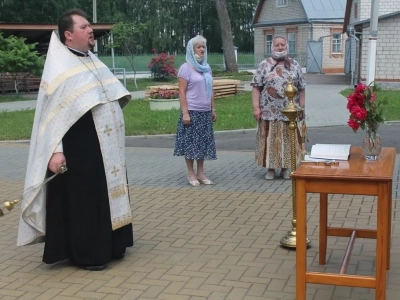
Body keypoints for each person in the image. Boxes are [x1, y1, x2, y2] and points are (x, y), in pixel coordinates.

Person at [17, 8, 133, 271]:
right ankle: (88, 254)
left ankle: (114, 244)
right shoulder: (59, 70)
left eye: (89, 26)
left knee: (103, 195)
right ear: (68, 35)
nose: (90, 30)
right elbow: (50, 119)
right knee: (85, 199)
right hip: (79, 149)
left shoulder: (91, 60)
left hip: (106, 149)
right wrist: (55, 152)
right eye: (83, 27)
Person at [251, 36, 306, 180]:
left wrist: (301, 107)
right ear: (272, 47)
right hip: (269, 112)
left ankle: (285, 168)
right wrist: (256, 108)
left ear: (287, 46)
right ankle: (270, 168)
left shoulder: (294, 65)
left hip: (290, 113)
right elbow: (256, 87)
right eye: (277, 45)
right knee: (271, 141)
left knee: (287, 140)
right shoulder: (265, 65)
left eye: (282, 45)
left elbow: (301, 88)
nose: (280, 47)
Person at [173, 35, 217, 187]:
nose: (202, 49)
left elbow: (210, 90)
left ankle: (201, 172)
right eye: (198, 47)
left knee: (203, 144)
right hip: (191, 112)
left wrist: (213, 109)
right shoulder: (186, 68)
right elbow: (182, 92)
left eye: (203, 47)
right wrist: (185, 113)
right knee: (191, 144)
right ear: (192, 50)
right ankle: (191, 173)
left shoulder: (207, 68)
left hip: (205, 112)